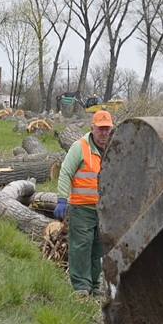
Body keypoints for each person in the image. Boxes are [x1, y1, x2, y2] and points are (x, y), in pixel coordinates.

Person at [54, 110, 114, 297]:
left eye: (107, 129)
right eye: (100, 129)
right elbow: (65, 172)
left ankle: (94, 286)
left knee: (98, 249)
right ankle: (81, 287)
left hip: (103, 211)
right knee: (81, 246)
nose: (104, 133)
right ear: (92, 128)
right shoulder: (80, 147)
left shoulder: (114, 149)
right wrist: (62, 199)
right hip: (82, 208)